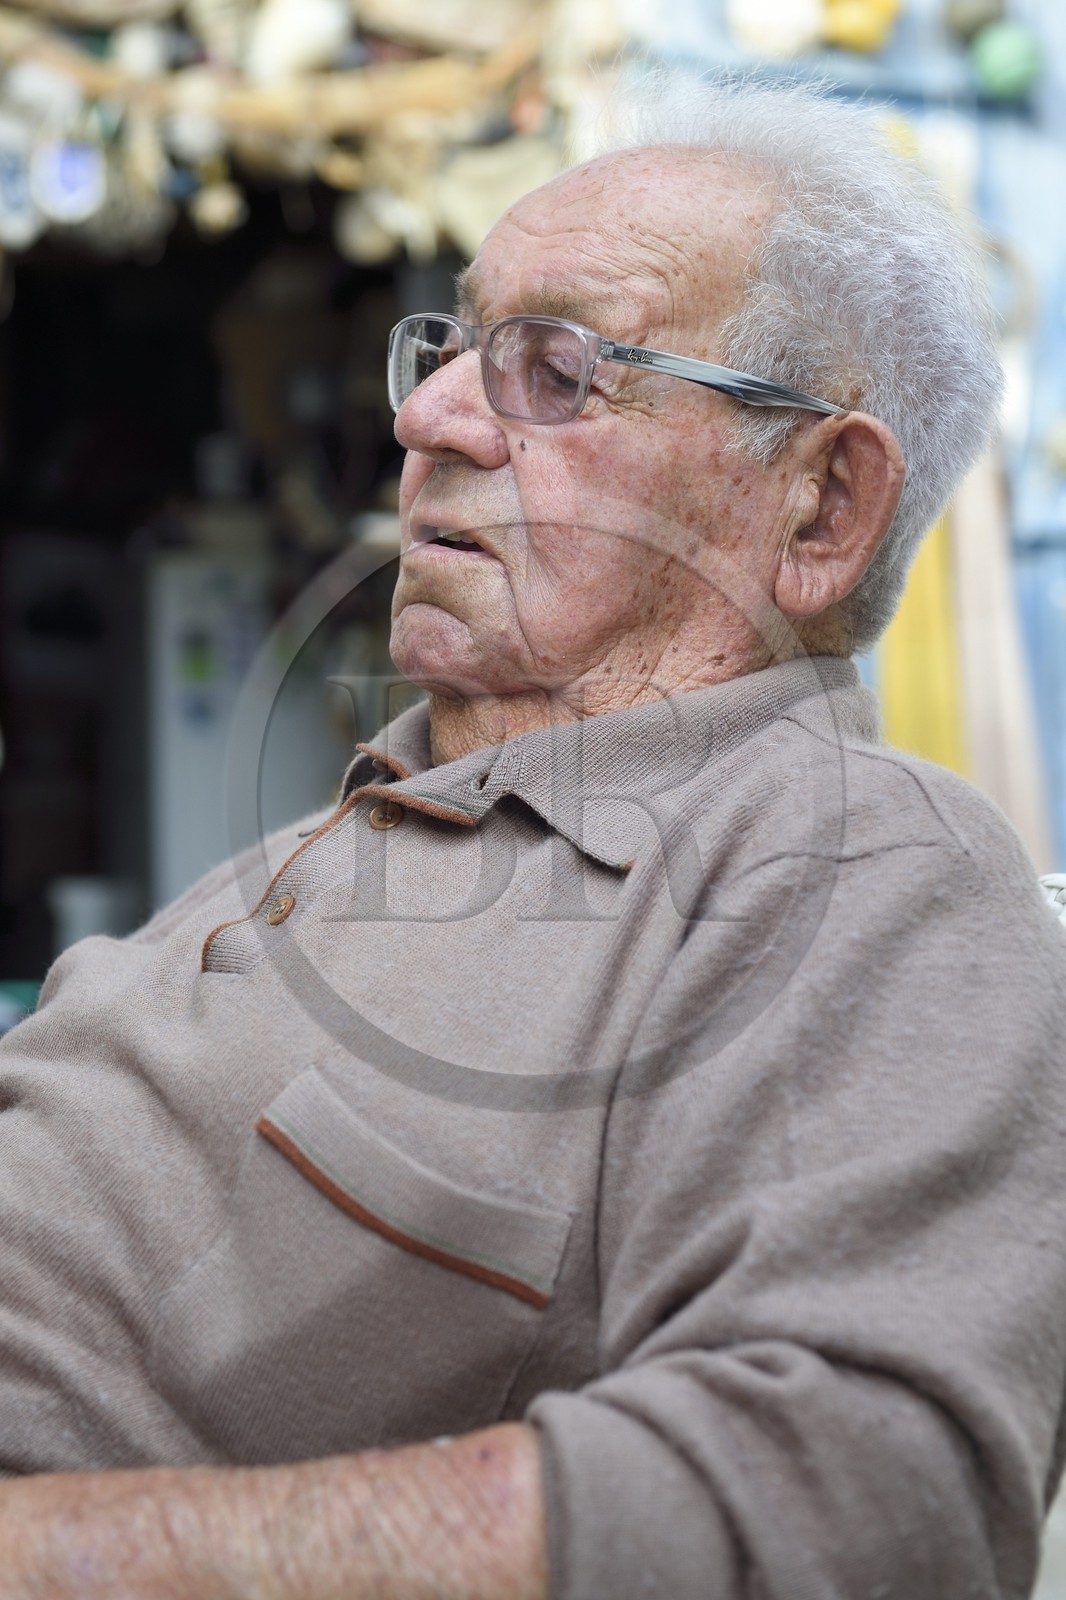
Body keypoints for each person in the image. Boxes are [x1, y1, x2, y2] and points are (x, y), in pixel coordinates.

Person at [0, 73, 1064, 1600]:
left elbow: (864, 1497)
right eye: (447, 345)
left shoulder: (860, 869)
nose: (423, 415)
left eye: (556, 370)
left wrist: (50, 1556)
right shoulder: (339, 830)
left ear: (819, 509)